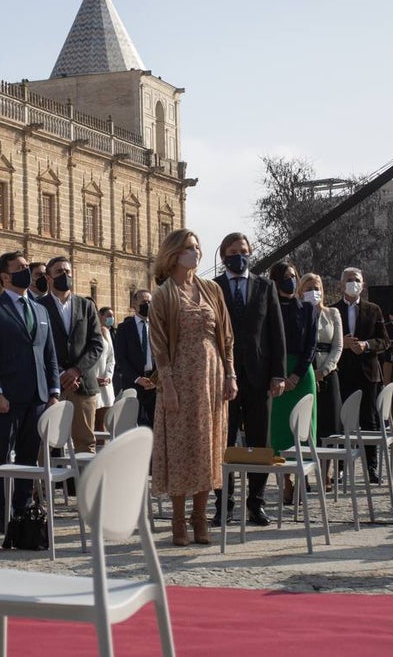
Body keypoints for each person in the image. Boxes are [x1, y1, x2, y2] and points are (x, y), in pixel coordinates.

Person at [149, 229, 235, 547]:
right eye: (189, 248)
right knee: (181, 450)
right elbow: (158, 345)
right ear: (174, 254)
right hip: (180, 380)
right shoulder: (164, 295)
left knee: (207, 448)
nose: (196, 253)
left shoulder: (211, 289)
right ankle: (178, 521)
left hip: (212, 378)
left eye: (198, 247)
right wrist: (168, 385)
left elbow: (225, 336)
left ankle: (201, 518)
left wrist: (231, 374)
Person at [0, 251, 61, 532]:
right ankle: (2, 516)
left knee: (28, 457)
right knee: (0, 457)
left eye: (28, 267)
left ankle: (23, 510)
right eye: (20, 268)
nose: (27, 271)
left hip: (38, 396)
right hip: (7, 398)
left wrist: (54, 390)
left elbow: (49, 352)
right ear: (5, 275)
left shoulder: (40, 309)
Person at [212, 232, 285, 527]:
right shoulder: (213, 287)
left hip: (258, 375)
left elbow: (276, 333)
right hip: (223, 377)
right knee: (223, 441)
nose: (239, 256)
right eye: (233, 251)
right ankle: (223, 504)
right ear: (224, 256)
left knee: (258, 440)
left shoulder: (265, 286)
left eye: (243, 250)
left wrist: (278, 373)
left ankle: (256, 502)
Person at [38, 256, 104, 455]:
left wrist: (76, 371)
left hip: (82, 385)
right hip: (52, 385)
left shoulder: (86, 306)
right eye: (59, 272)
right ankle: (44, 486)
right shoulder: (39, 307)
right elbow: (39, 346)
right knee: (46, 444)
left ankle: (83, 485)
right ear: (49, 278)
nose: (64, 275)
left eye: (67, 272)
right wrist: (59, 374)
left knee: (85, 442)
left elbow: (96, 344)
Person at [333, 267, 390, 479]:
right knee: (341, 421)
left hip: (368, 373)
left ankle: (371, 467)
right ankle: (340, 467)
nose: (352, 283)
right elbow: (325, 342)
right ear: (341, 284)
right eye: (348, 280)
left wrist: (366, 345)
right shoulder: (332, 310)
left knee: (369, 421)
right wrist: (342, 344)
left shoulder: (373, 309)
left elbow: (384, 340)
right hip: (342, 372)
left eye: (356, 280)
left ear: (363, 285)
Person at [269, 261, 317, 504]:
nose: (291, 280)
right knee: (279, 430)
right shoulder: (270, 308)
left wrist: (297, 374)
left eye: (293, 275)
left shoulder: (308, 309)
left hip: (302, 372)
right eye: (286, 276)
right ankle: (285, 481)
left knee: (304, 427)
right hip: (277, 372)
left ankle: (302, 479)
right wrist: (278, 374)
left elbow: (311, 346)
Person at [300, 273, 343, 446]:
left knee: (329, 423)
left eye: (316, 289)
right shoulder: (298, 314)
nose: (313, 292)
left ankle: (327, 471)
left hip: (328, 371)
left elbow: (337, 346)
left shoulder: (332, 313)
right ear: (301, 291)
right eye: (308, 289)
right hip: (304, 372)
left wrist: (323, 371)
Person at [114, 289, 156, 427]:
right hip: (133, 384)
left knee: (155, 425)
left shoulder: (158, 327)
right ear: (134, 304)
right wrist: (138, 379)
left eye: (150, 302)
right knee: (135, 424)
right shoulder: (124, 328)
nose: (147, 305)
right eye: (144, 302)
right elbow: (121, 358)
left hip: (154, 383)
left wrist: (157, 378)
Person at [92, 306, 117, 437]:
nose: (111, 318)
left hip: (106, 384)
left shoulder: (106, 332)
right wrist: (92, 378)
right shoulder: (88, 331)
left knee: (103, 424)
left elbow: (111, 357)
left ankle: (102, 452)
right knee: (92, 423)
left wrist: (108, 376)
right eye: (108, 315)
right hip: (92, 382)